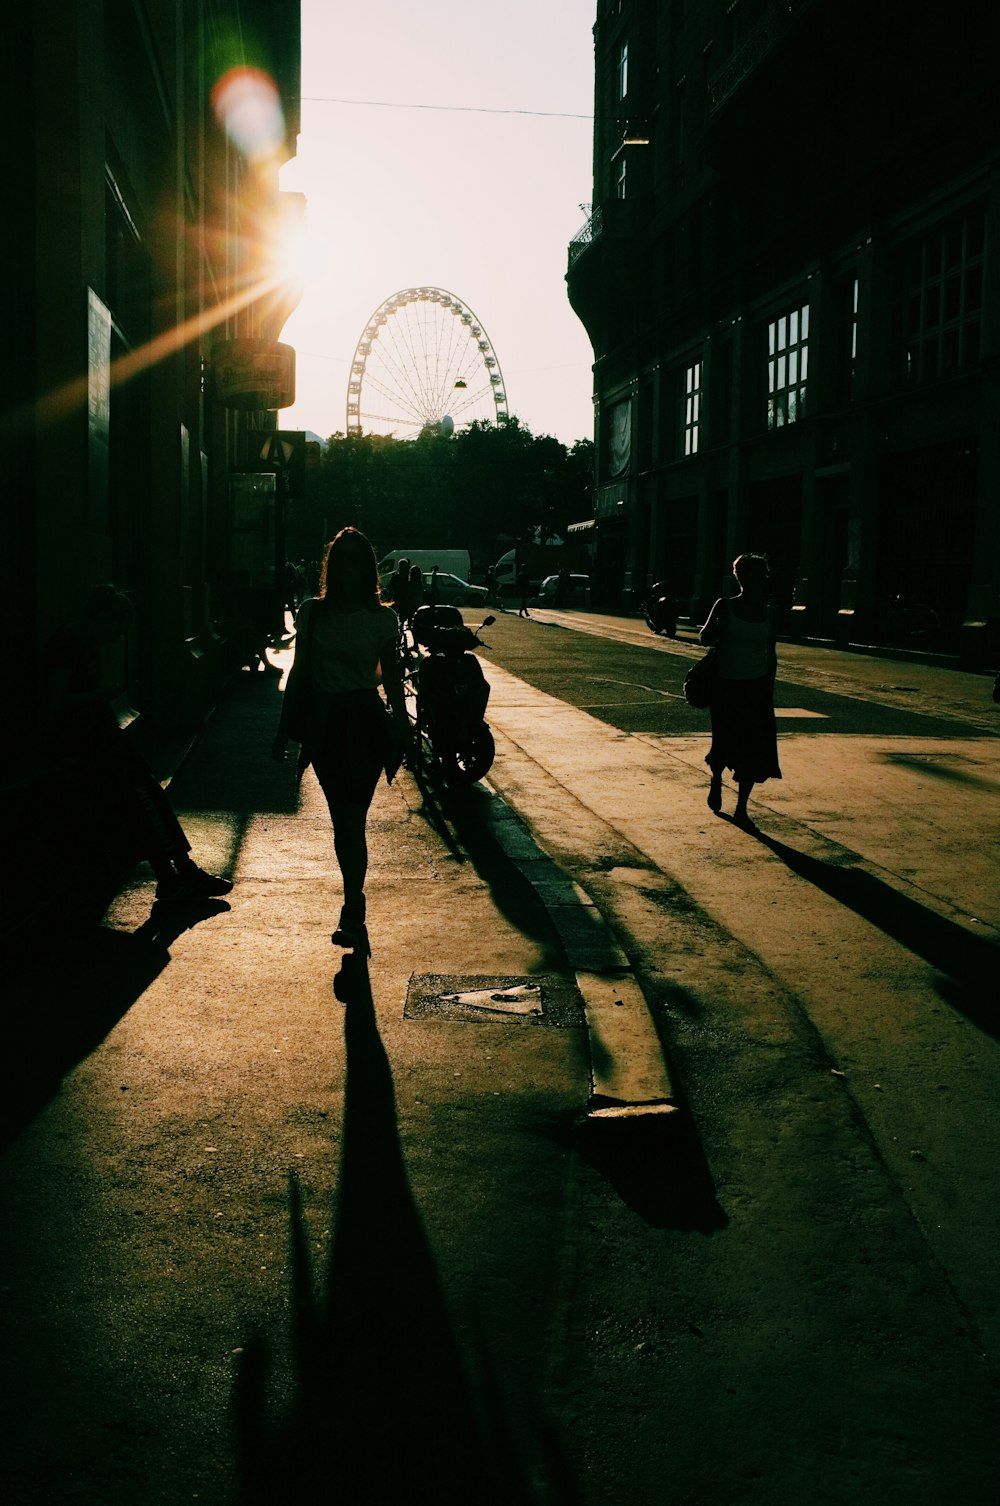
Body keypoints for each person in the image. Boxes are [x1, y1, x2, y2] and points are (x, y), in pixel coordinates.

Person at [44, 584, 233, 902]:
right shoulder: (67, 645)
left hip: (98, 736)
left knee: (146, 795)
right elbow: (54, 701)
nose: (115, 639)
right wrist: (102, 694)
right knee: (145, 796)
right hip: (87, 741)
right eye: (115, 630)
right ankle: (179, 872)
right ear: (101, 618)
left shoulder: (82, 643)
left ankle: (176, 874)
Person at [271, 527, 411, 954]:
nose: (348, 567)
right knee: (342, 820)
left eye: (356, 559)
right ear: (332, 565)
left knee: (353, 819)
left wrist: (401, 729)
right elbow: (298, 673)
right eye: (341, 559)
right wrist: (282, 729)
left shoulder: (382, 618)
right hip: (326, 726)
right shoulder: (314, 612)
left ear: (368, 567)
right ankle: (355, 902)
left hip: (365, 724)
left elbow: (393, 679)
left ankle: (352, 908)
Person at [698, 553, 781, 826]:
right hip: (726, 686)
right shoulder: (725, 606)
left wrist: (770, 683)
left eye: (762, 575)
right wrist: (719, 629)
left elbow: (772, 651)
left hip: (756, 688)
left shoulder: (769, 612)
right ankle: (716, 778)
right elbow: (704, 636)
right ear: (741, 577)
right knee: (723, 742)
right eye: (753, 575)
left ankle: (742, 808)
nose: (759, 580)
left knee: (754, 749)